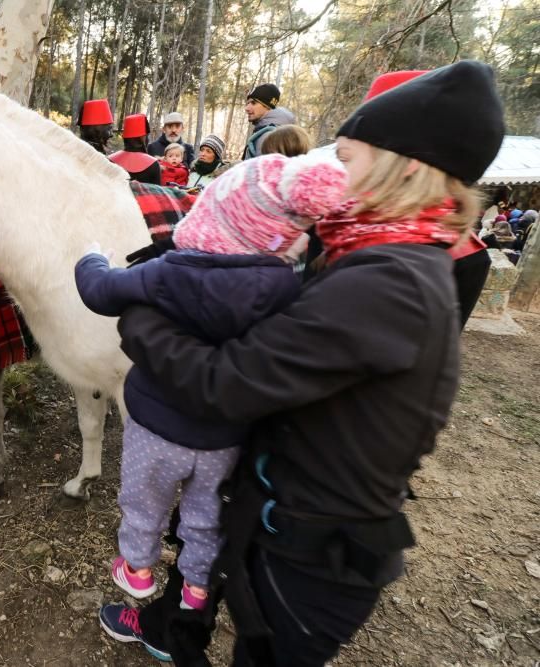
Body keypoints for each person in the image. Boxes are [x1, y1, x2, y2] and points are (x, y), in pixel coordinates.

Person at [102, 59, 504, 666]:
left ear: (407, 165)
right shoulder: (378, 252)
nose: (332, 171)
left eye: (347, 156)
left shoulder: (388, 282)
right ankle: (172, 631)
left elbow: (224, 385)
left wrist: (139, 310)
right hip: (284, 518)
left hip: (310, 558)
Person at [77, 152, 347, 615]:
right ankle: (197, 587)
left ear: (212, 217)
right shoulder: (284, 286)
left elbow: (101, 293)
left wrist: (90, 259)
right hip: (225, 436)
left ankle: (137, 569)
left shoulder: (171, 271)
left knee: (143, 500)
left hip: (157, 428)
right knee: (205, 516)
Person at [242, 83, 295, 159]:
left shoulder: (269, 136)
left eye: (253, 103)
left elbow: (262, 169)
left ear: (268, 106)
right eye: (247, 103)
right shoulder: (267, 131)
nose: (247, 108)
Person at [108, 114, 161, 185]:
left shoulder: (110, 160)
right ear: (143, 138)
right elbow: (156, 193)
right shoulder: (153, 165)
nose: (148, 139)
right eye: (147, 136)